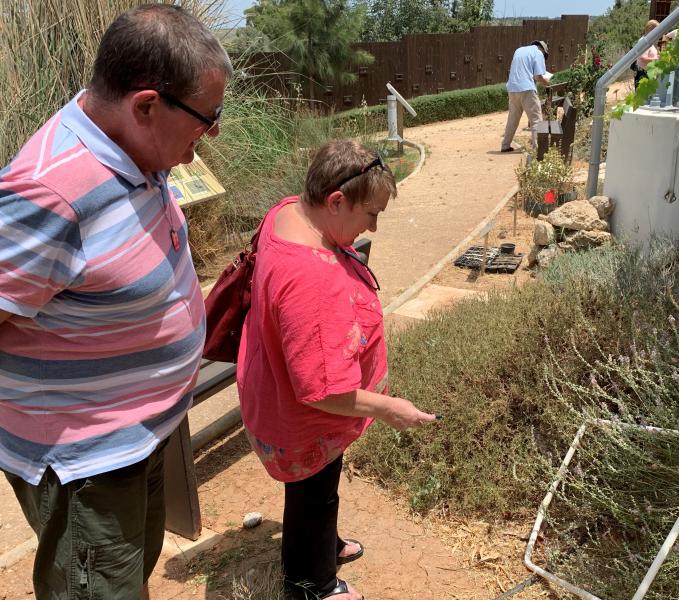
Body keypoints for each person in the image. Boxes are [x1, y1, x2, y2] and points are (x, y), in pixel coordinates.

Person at [0, 5, 231, 599]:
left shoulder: (135, 149)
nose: (213, 132)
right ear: (147, 105)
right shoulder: (49, 192)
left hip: (138, 437)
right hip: (87, 467)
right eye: (209, 117)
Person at [237, 140, 437, 600]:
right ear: (335, 201)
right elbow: (321, 391)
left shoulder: (289, 210)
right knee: (313, 495)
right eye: (370, 214)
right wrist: (389, 408)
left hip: (273, 391)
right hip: (302, 421)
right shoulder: (312, 278)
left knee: (317, 493)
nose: (374, 226)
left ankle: (322, 547)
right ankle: (312, 583)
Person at [500, 40, 552, 154]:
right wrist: (547, 82)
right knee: (536, 119)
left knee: (513, 119)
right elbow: (538, 77)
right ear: (542, 50)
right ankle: (537, 149)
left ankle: (505, 145)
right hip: (527, 88)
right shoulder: (538, 53)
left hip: (512, 88)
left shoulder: (519, 50)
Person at [633, 19, 660, 89]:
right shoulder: (643, 41)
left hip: (647, 74)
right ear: (650, 30)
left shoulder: (648, 41)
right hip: (643, 75)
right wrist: (658, 59)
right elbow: (642, 58)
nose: (658, 34)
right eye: (657, 31)